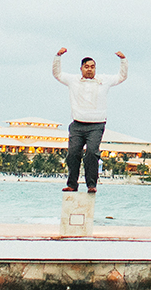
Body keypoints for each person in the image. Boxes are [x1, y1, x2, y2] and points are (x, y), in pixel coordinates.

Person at [53, 47, 127, 193]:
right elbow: (57, 74)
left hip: (96, 124)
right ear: (81, 68)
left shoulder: (103, 80)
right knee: (73, 153)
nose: (89, 70)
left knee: (92, 153)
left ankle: (91, 185)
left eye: (92, 67)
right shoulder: (73, 80)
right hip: (77, 124)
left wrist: (123, 60)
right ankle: (72, 184)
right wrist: (58, 57)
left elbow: (121, 77)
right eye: (86, 67)